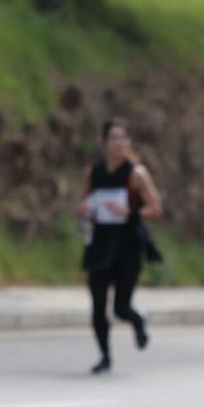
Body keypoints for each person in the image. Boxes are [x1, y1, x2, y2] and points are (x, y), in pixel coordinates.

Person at [77, 117, 164, 375]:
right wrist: (83, 210)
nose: (118, 143)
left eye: (123, 138)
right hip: (101, 242)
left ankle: (137, 319)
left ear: (129, 142)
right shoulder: (93, 173)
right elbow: (84, 203)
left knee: (121, 307)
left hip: (128, 242)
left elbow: (156, 207)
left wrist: (129, 211)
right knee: (97, 303)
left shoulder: (136, 174)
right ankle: (104, 355)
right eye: (113, 138)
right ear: (104, 142)